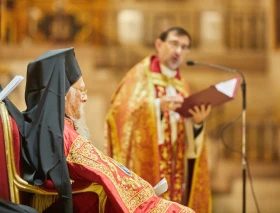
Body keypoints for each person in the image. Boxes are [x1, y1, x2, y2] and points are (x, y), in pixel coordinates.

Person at [5, 47, 196, 213]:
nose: (85, 98)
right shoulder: (61, 133)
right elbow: (104, 171)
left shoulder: (42, 127)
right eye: (81, 91)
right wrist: (145, 195)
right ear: (61, 97)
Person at [106, 26, 212, 212]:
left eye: (184, 47)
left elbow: (186, 139)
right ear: (159, 44)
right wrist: (155, 107)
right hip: (149, 171)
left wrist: (196, 123)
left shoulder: (183, 85)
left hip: (176, 174)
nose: (178, 51)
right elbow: (118, 113)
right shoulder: (138, 76)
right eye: (174, 44)